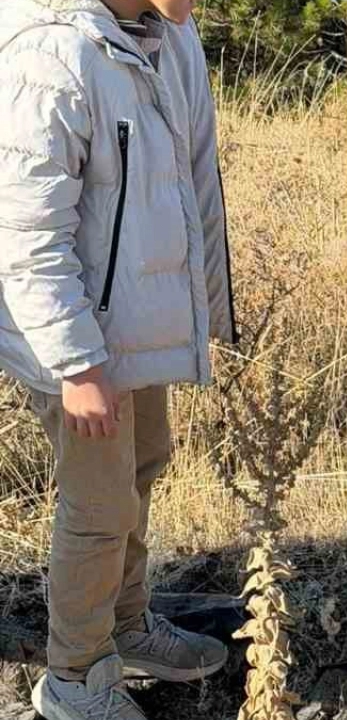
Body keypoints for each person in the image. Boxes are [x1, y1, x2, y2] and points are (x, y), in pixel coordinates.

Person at [0, 1, 238, 719]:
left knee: (142, 465)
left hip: (130, 328)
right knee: (99, 503)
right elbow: (26, 236)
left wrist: (203, 313)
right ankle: (74, 679)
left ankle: (126, 626)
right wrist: (77, 366)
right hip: (74, 343)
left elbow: (187, 183)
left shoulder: (166, 37)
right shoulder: (52, 57)